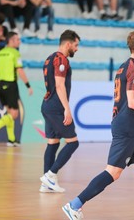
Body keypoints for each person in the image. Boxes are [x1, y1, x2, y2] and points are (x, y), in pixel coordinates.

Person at [62, 30, 134, 220]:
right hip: (126, 127)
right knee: (113, 172)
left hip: (131, 127)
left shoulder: (125, 66)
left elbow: (130, 102)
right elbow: (133, 102)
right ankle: (74, 205)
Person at [39, 30, 81, 193]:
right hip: (56, 107)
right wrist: (67, 109)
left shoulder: (50, 58)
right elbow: (59, 85)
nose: (76, 49)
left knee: (53, 142)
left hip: (47, 104)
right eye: (76, 45)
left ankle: (46, 183)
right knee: (73, 142)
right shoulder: (61, 60)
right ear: (68, 43)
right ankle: (50, 175)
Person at [0, 32, 33, 147]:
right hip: (11, 85)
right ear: (11, 41)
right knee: (14, 114)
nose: (19, 41)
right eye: (17, 39)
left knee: (9, 113)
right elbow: (20, 70)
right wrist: (28, 85)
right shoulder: (15, 53)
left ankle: (11, 139)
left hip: (0, 85)